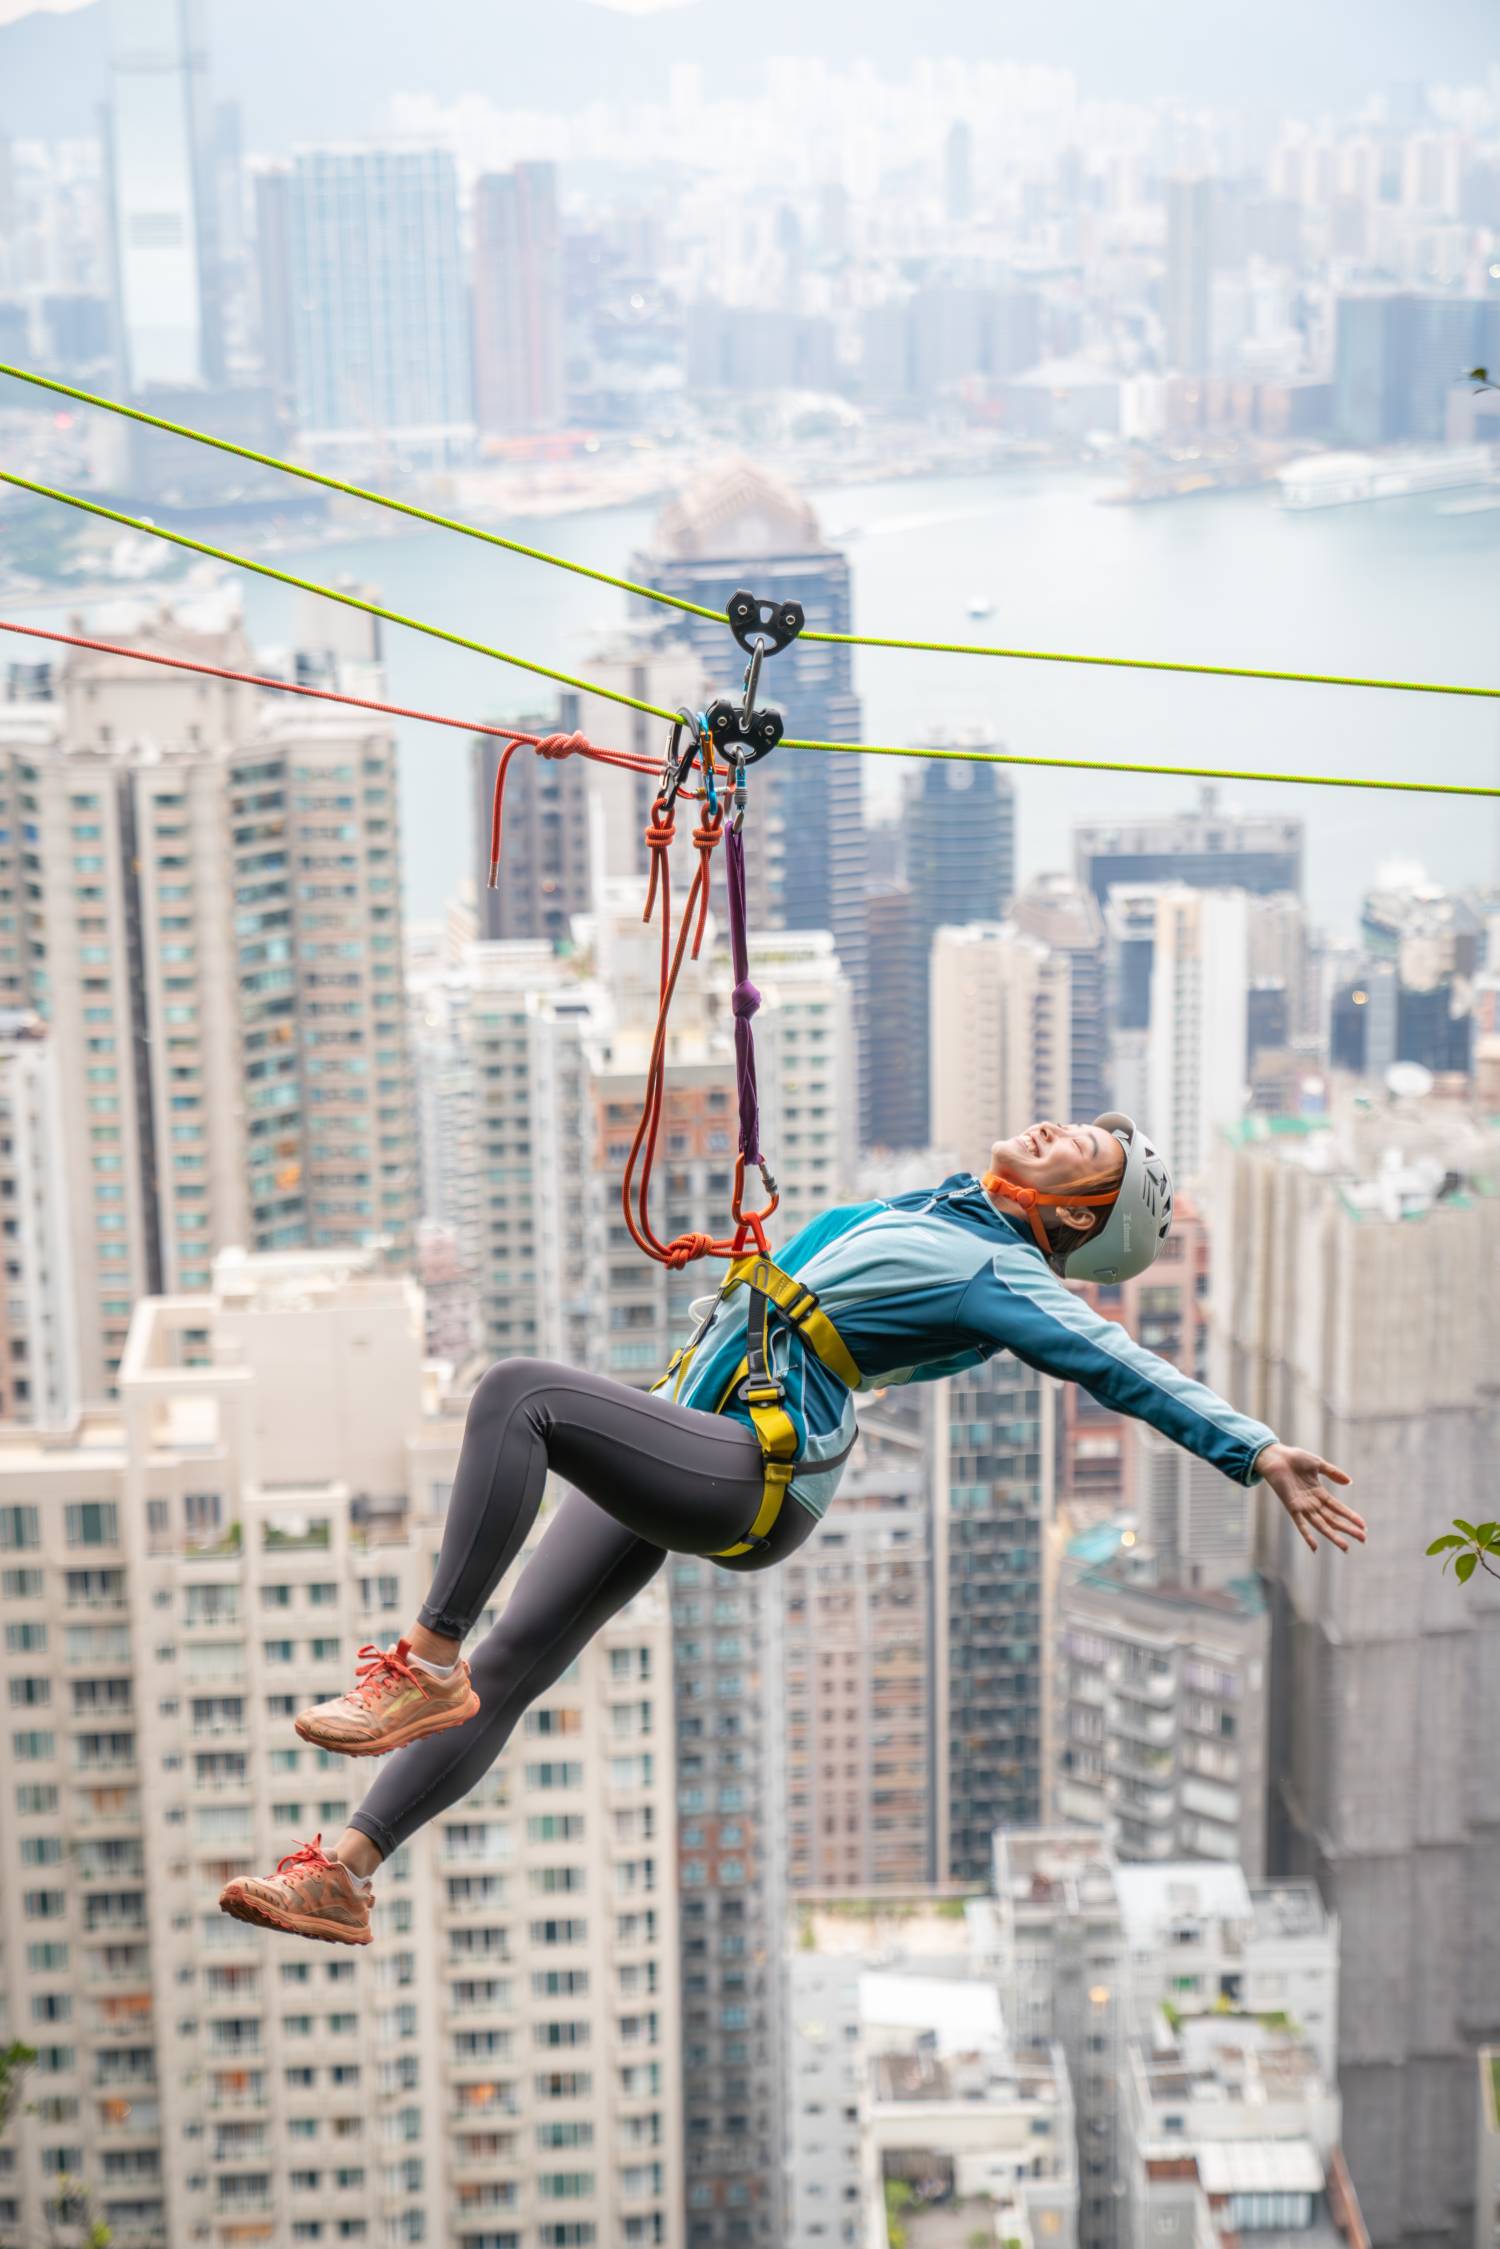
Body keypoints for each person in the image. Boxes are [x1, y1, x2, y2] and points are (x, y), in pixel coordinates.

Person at [219, 1113, 1363, 1946]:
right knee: (511, 1663)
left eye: (1092, 1152)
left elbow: (1118, 1361)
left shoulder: (1005, 1272)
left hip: (750, 1471)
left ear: (1074, 1214)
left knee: (520, 1394)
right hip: (695, 1434)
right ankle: (346, 1873)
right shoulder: (936, 1210)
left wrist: (1250, 1447)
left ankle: (420, 1659)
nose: (1066, 1126)